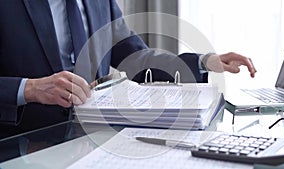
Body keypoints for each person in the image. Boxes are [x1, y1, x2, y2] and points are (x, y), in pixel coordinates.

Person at [0, 0, 256, 138]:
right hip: (21, 141)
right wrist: (30, 88)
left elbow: (136, 57)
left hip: (92, 137)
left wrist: (203, 61)